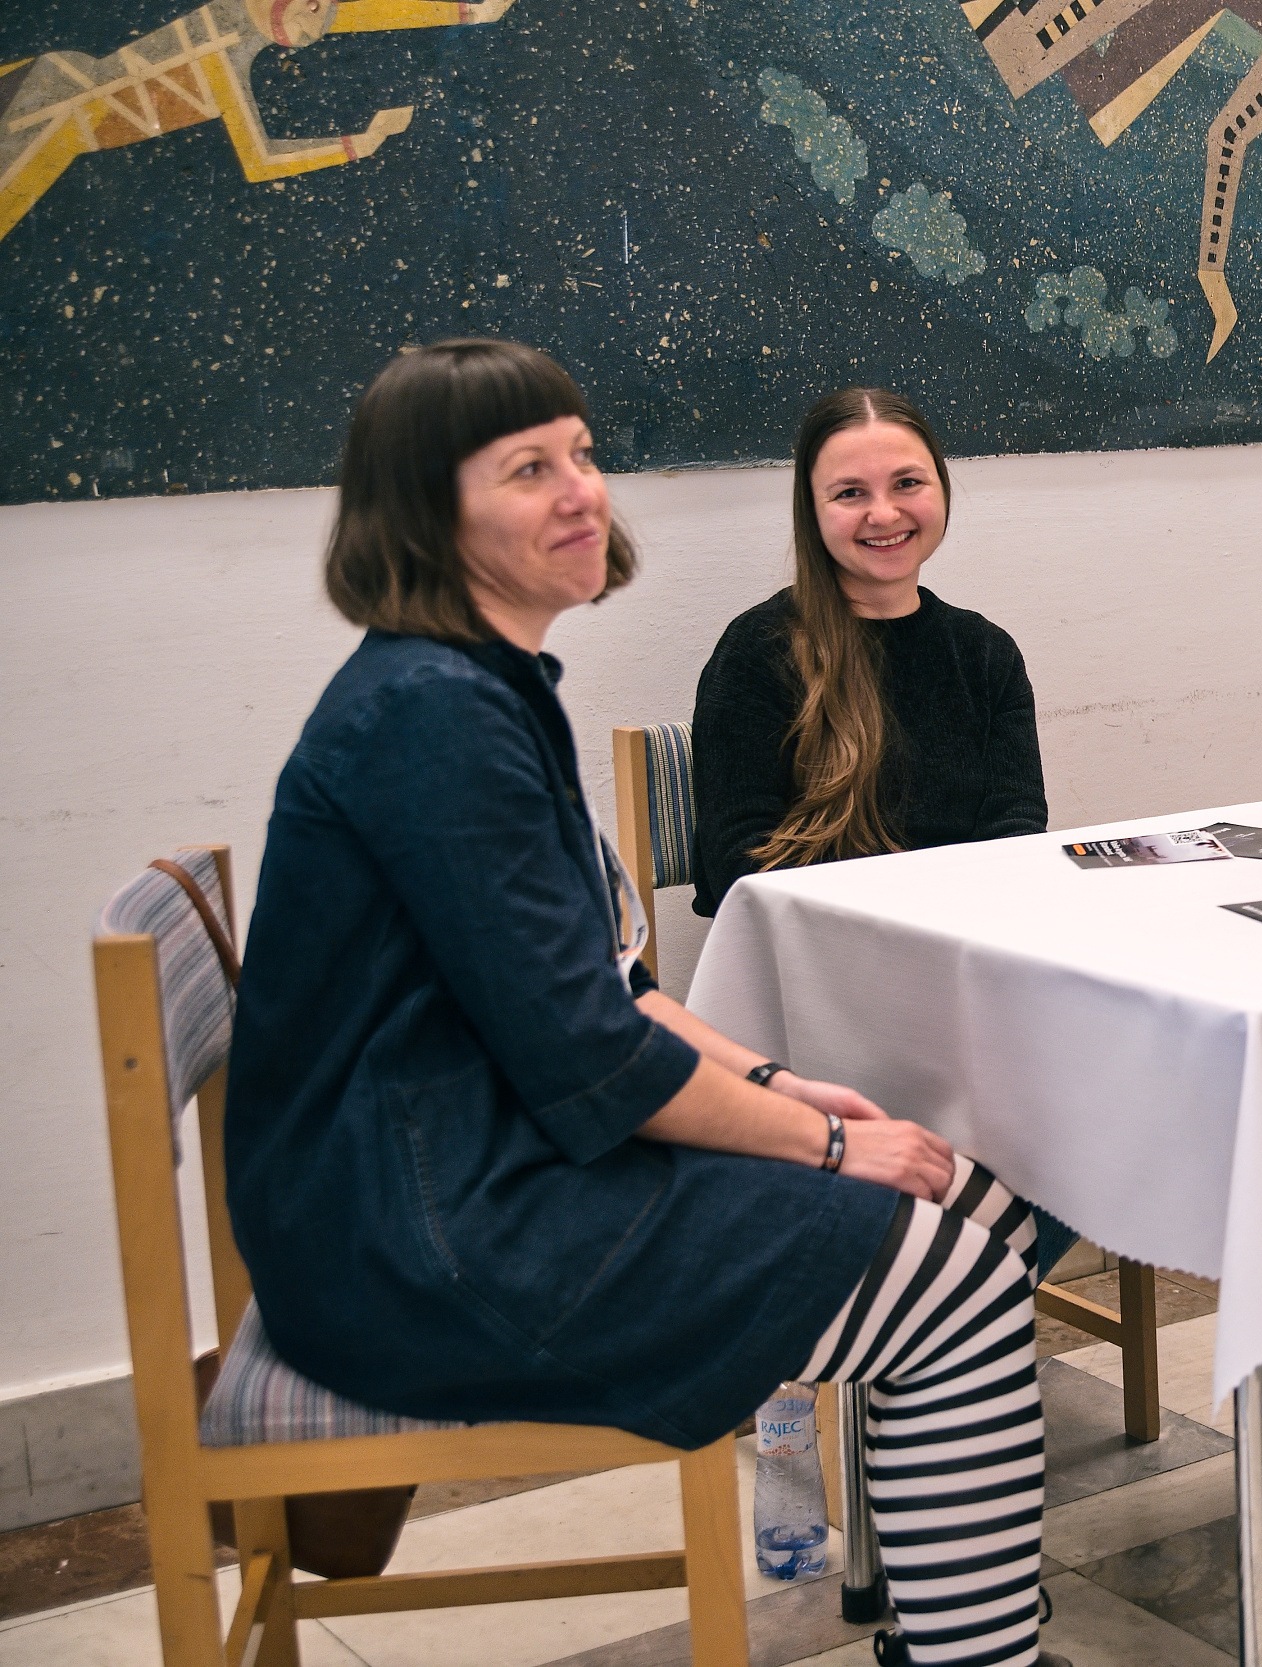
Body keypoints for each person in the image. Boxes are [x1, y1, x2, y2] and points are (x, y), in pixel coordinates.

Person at [225, 341, 1068, 1667]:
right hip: (431, 1230)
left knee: (983, 1202)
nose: (582, 490)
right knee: (958, 1279)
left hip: (466, 1170)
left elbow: (611, 989)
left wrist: (782, 1086)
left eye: (580, 454)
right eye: (527, 469)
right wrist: (830, 1143)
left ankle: (954, 1623)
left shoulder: (476, 686)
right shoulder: (432, 718)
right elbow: (591, 1060)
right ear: (421, 514)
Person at [691, 388, 1046, 918]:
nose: (883, 513)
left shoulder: (987, 653)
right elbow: (739, 868)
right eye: (850, 493)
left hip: (970, 934)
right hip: (818, 948)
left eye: (907, 483)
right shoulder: (757, 651)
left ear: (942, 489)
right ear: (812, 511)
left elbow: (1015, 835)